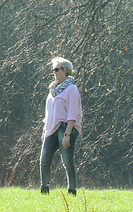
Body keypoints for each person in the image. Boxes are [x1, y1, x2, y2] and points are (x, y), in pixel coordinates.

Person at [40, 57, 83, 196]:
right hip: (50, 129)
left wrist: (67, 134)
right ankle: (44, 189)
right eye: (53, 69)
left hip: (65, 128)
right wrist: (44, 131)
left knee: (67, 161)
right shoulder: (52, 90)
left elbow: (72, 113)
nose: (54, 72)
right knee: (44, 159)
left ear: (65, 71)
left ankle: (72, 190)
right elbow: (48, 113)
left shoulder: (71, 89)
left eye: (57, 69)